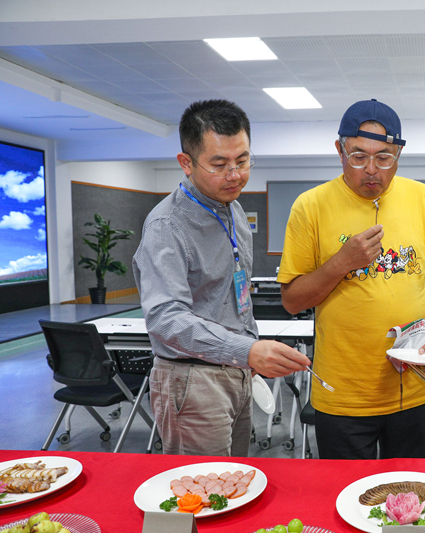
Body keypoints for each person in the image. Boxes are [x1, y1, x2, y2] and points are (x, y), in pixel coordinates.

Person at [278, 99, 425, 459]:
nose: (371, 171)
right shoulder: (310, 206)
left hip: (414, 384)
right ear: (339, 150)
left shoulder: (424, 199)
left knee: (411, 499)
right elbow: (292, 300)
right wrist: (342, 262)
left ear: (398, 154)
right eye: (358, 156)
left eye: (384, 158)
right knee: (345, 500)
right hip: (343, 392)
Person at [132, 100, 311, 456]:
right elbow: (166, 319)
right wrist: (246, 350)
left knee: (235, 483)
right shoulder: (167, 225)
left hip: (236, 369)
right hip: (192, 378)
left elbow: (232, 297)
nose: (235, 175)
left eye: (242, 160)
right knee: (199, 495)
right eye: (219, 164)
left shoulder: (234, 209)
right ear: (186, 163)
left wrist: (248, 355)